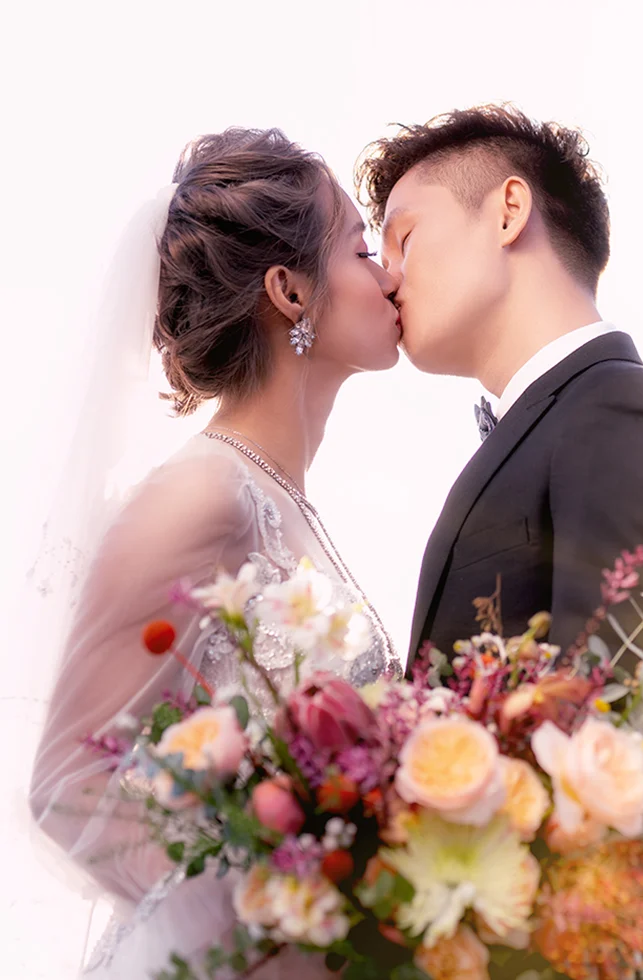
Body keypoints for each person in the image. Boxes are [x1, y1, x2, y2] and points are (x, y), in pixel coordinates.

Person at [357, 103, 643, 977]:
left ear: (509, 211)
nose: (386, 278)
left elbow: (626, 733)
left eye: (404, 238)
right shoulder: (540, 430)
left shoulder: (623, 409)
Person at [29, 127, 402, 978]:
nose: (388, 276)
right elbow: (65, 784)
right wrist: (279, 918)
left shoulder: (282, 499)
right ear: (289, 290)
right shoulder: (202, 492)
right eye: (360, 248)